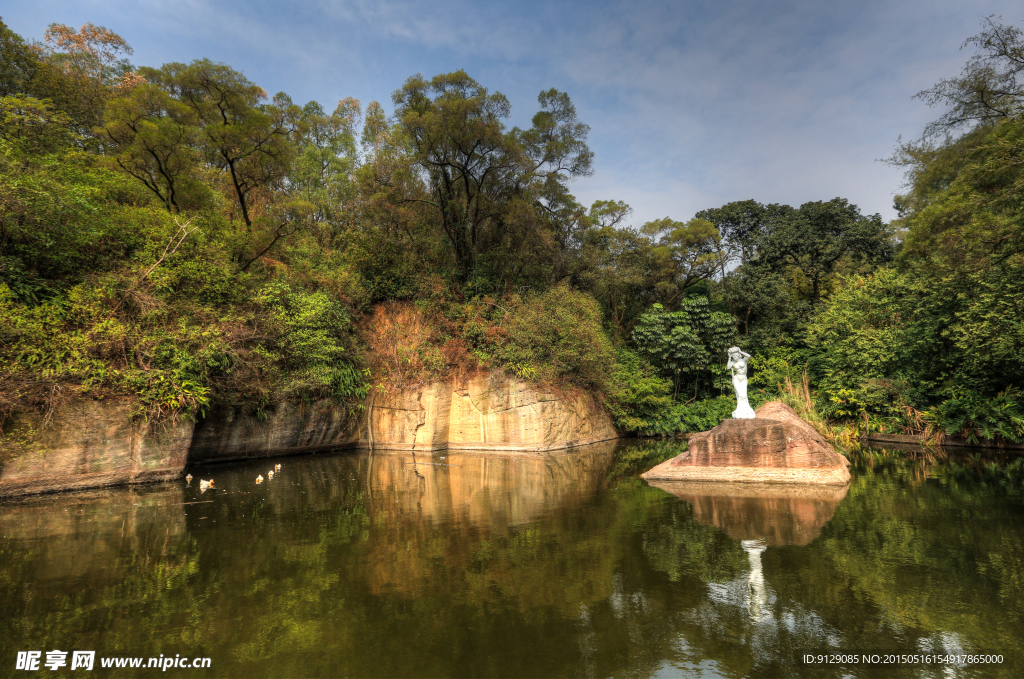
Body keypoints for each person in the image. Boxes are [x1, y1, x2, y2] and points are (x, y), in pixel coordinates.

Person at [727, 347, 756, 419]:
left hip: (743, 378)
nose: (735, 357)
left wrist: (740, 351)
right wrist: (729, 358)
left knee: (744, 395)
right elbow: (728, 367)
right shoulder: (733, 362)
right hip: (736, 379)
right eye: (734, 356)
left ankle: (746, 410)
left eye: (736, 356)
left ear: (739, 355)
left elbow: (749, 356)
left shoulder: (744, 360)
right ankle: (739, 410)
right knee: (739, 394)